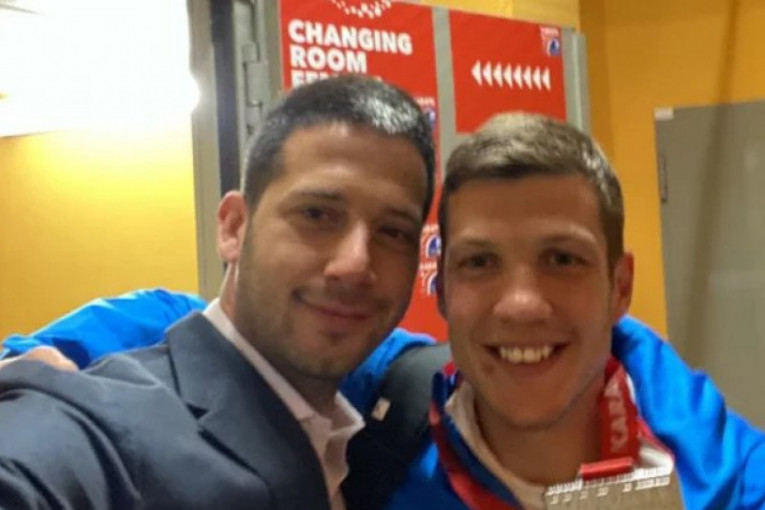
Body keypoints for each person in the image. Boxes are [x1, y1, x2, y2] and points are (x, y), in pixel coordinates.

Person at [4, 113, 765, 509]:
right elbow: (219, 323)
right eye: (479, 263)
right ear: (442, 291)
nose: (522, 304)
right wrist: (28, 359)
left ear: (619, 287)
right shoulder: (396, 411)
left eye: (562, 259)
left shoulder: (712, 460)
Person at [0, 74, 436, 510]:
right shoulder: (108, 425)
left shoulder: (361, 441)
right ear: (234, 227)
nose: (355, 264)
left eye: (393, 232)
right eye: (317, 214)